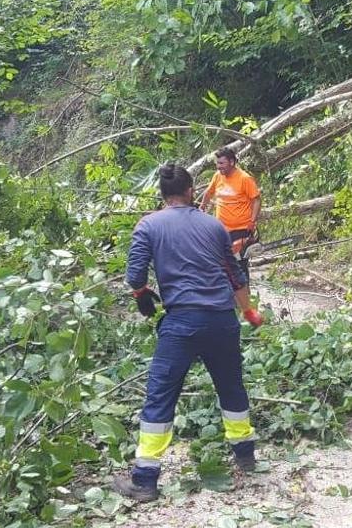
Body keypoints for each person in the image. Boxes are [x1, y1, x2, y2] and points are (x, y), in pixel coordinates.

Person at [112, 163, 265, 503]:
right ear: (192, 191)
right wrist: (249, 312)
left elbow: (135, 274)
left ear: (162, 195)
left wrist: (141, 294)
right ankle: (245, 456)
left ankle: (145, 479)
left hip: (181, 324)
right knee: (231, 385)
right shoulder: (214, 226)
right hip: (222, 321)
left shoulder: (148, 225)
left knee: (160, 394)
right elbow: (235, 274)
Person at [200, 147, 261, 280]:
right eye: (217, 163)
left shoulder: (245, 178)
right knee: (222, 262)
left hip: (240, 229)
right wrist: (202, 206)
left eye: (222, 163)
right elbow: (209, 192)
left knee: (239, 264)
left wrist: (252, 221)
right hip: (221, 229)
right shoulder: (217, 176)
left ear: (232, 162)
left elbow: (256, 200)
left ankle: (244, 295)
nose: (219, 166)